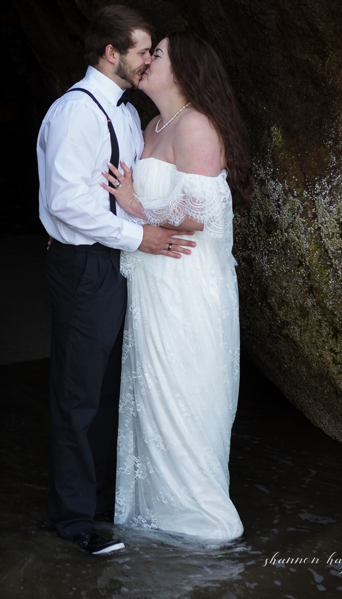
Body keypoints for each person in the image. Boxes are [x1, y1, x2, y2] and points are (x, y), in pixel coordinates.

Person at [35, 4, 197, 556]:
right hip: (83, 265)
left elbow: (124, 196)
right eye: (142, 50)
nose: (149, 59)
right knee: (78, 395)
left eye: (153, 52)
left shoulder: (126, 114)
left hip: (114, 264)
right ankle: (71, 519)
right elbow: (67, 203)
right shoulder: (77, 113)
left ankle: (96, 502)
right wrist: (140, 238)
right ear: (112, 53)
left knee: (106, 391)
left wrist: (142, 223)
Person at [103, 31, 251, 541]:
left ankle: (205, 526)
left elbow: (201, 212)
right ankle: (157, 519)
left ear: (183, 70)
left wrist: (136, 209)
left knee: (182, 392)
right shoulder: (152, 124)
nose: (145, 61)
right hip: (152, 283)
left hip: (187, 285)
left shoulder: (198, 127)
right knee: (151, 393)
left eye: (156, 54)